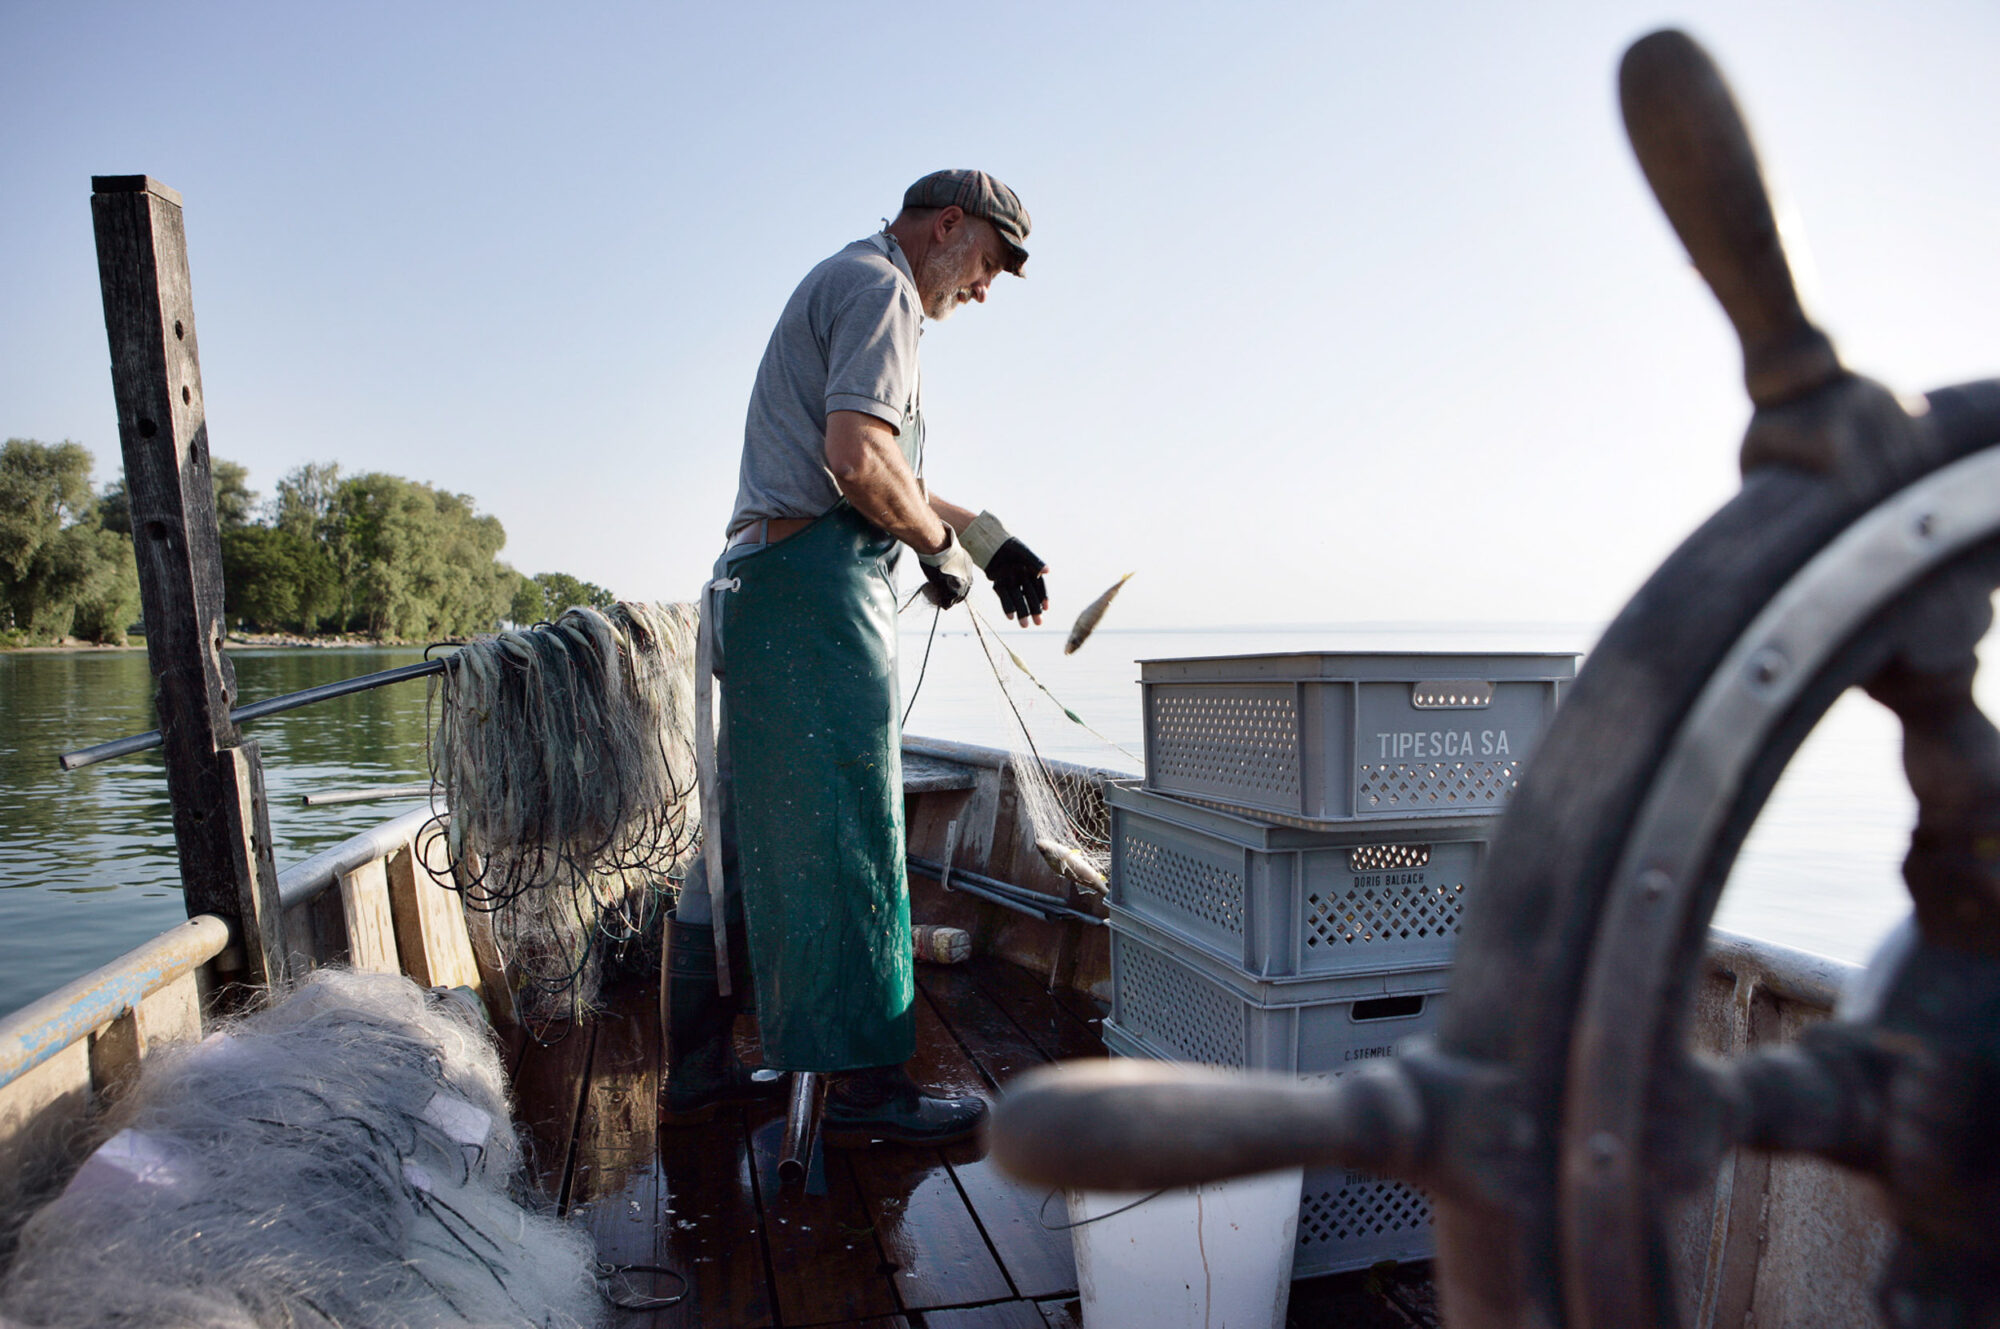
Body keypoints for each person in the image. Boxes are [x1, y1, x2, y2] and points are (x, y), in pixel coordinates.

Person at [662, 170, 1049, 1146]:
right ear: (948, 227)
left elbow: (901, 477)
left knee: (738, 842)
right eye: (990, 263)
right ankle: (870, 1095)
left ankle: (698, 1070)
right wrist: (935, 551)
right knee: (851, 836)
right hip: (811, 590)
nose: (987, 289)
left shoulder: (844, 282)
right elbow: (859, 463)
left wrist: (994, 543)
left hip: (761, 586)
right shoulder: (881, 291)